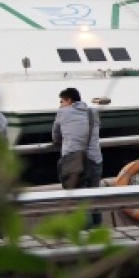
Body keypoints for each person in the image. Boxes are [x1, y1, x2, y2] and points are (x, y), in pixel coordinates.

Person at [52, 87, 103, 225]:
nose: (60, 104)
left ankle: (86, 237)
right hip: (95, 160)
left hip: (74, 162)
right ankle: (98, 233)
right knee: (94, 199)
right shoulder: (93, 112)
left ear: (69, 100)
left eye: (62, 101)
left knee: (80, 201)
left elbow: (56, 136)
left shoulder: (63, 113)